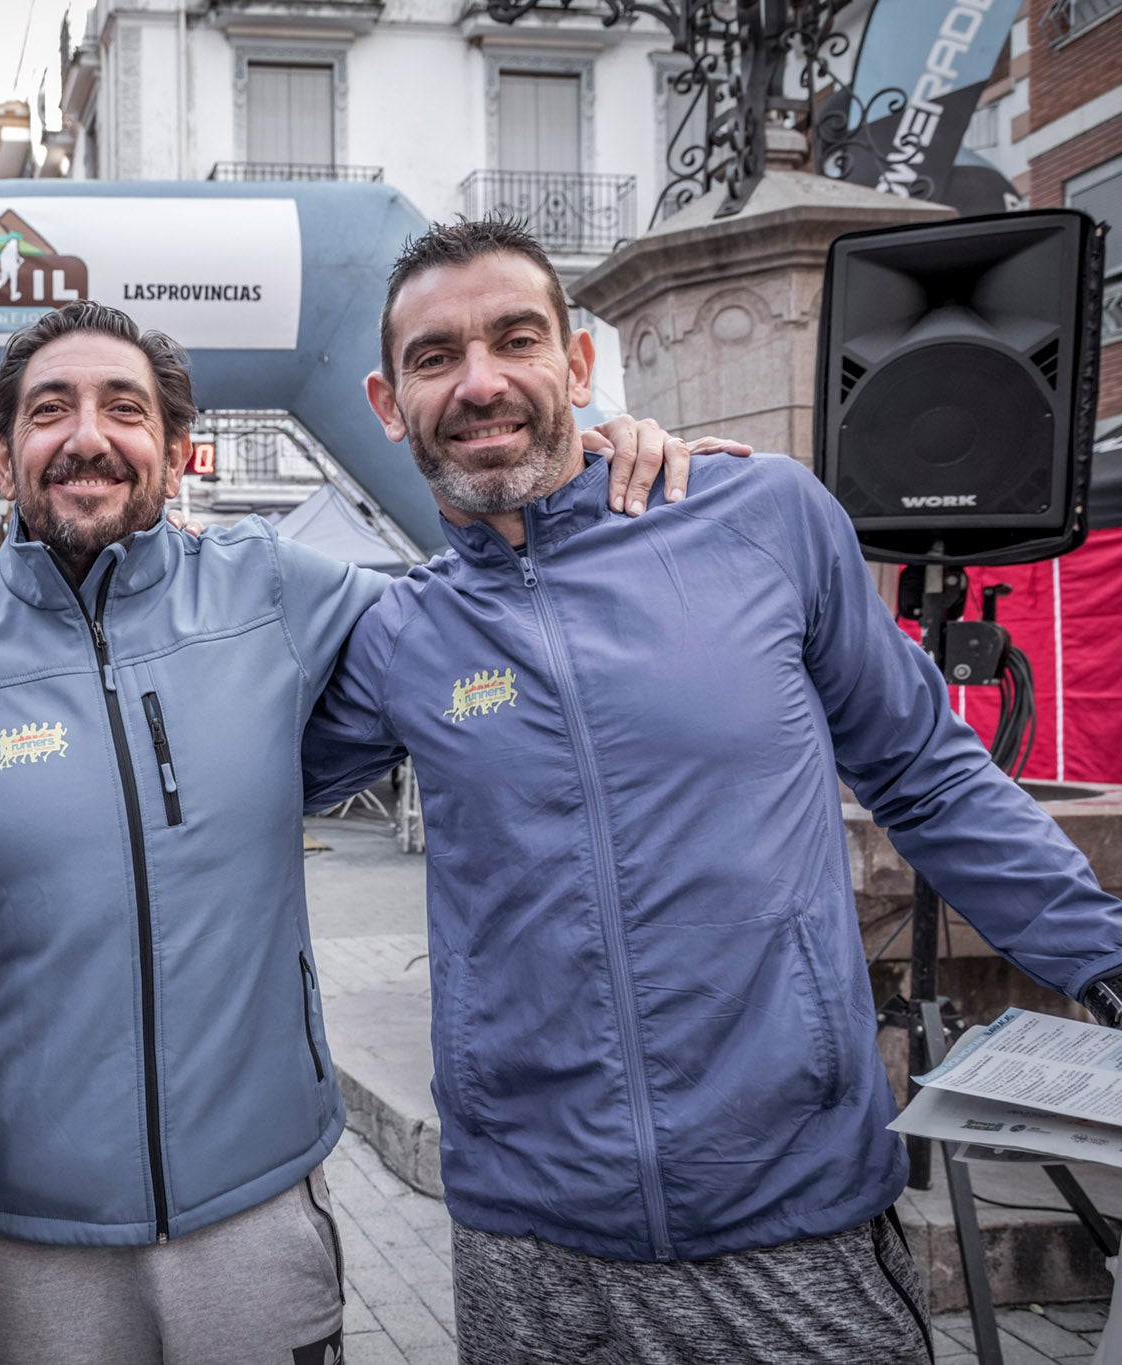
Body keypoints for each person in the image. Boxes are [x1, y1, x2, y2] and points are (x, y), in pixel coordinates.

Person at [302, 217, 1122, 1364]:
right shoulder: (399, 634)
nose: (478, 382)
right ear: (389, 405)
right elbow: (217, 773)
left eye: (514, 338)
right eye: (435, 359)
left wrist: (1104, 956)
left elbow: (926, 775)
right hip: (529, 1235)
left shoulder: (763, 514)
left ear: (578, 365)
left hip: (791, 1215)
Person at [0, 298, 730, 1364]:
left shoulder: (276, 588)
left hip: (258, 1214)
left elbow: (482, 605)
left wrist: (592, 478)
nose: (86, 436)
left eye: (123, 408)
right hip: (22, 1233)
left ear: (177, 452)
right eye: (50, 410)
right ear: (1, 454)